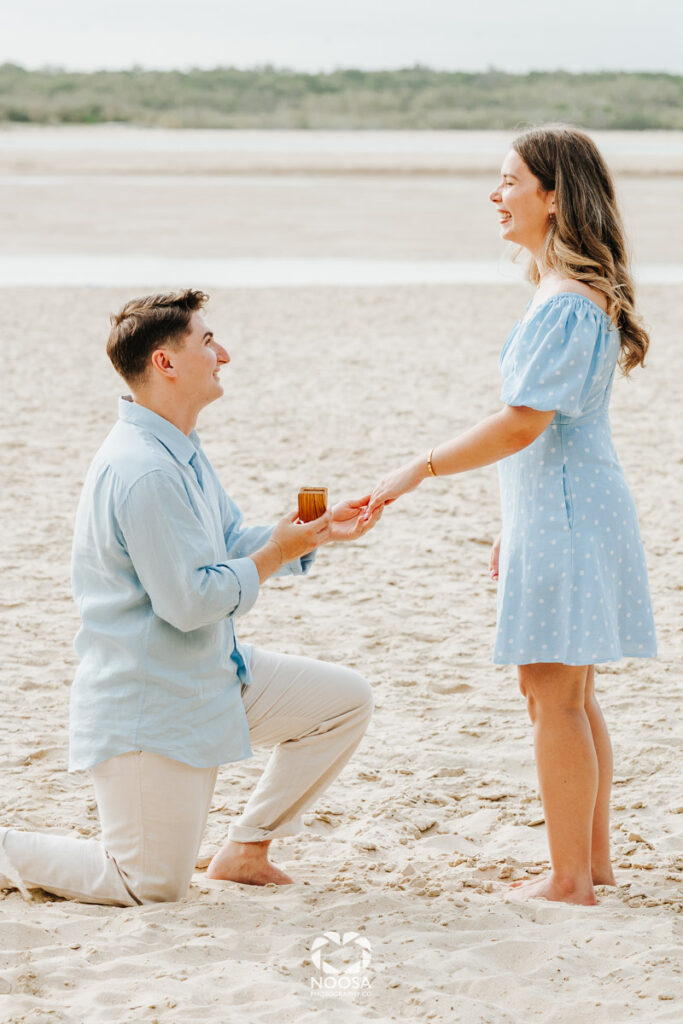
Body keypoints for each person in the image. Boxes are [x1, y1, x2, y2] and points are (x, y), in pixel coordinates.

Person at [0, 288, 380, 906]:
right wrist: (277, 553)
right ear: (165, 363)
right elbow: (188, 602)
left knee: (344, 702)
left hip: (210, 675)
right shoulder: (144, 469)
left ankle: (246, 849)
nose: (223, 353)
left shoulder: (179, 448)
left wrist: (311, 535)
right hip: (154, 704)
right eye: (207, 341)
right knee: (149, 884)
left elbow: (229, 541)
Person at [365, 125, 657, 906]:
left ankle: (568, 880)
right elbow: (549, 430)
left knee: (553, 696)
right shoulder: (566, 294)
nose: (494, 196)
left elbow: (523, 422)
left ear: (553, 195)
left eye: (507, 181)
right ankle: (588, 866)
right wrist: (513, 520)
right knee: (568, 694)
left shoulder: (562, 302)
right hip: (567, 504)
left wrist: (416, 469)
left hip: (568, 508)